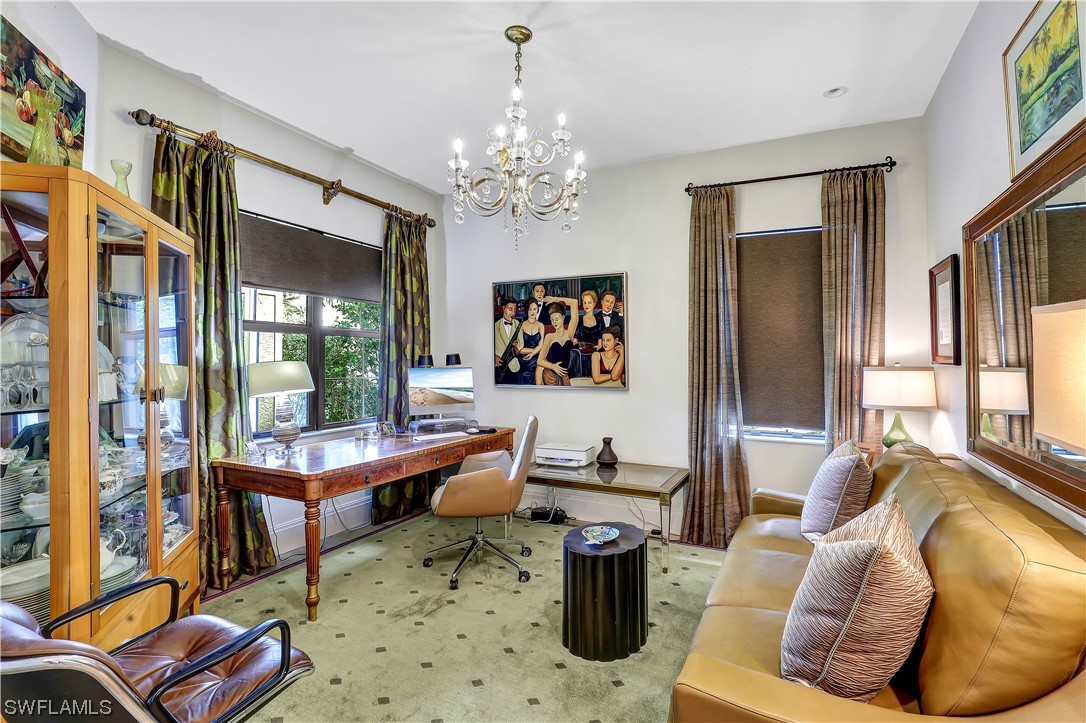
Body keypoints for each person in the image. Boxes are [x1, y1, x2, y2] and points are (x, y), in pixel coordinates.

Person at [536, 300, 580, 386]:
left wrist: (553, 298)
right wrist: (553, 366)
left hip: (565, 375)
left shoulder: (570, 333)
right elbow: (539, 361)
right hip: (550, 376)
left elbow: (574, 302)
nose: (554, 322)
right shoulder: (549, 336)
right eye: (552, 320)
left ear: (563, 318)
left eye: (556, 319)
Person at [516, 299, 545, 385]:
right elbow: (520, 348)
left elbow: (541, 345)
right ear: (526, 310)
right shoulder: (521, 325)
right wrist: (535, 351)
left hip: (537, 356)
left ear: (537, 310)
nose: (532, 312)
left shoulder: (540, 325)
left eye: (535, 309)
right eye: (530, 309)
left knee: (540, 363)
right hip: (524, 355)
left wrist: (533, 353)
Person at [493, 297, 521, 384]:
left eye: (515, 310)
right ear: (503, 308)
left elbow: (520, 346)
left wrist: (516, 346)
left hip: (514, 366)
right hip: (499, 367)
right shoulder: (495, 326)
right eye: (510, 309)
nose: (513, 313)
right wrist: (494, 357)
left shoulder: (518, 324)